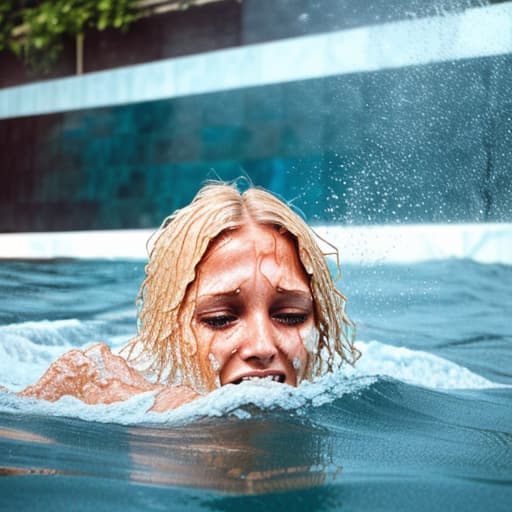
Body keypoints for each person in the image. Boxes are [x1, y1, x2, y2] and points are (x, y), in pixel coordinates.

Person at [20, 181, 359, 412]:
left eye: (290, 316)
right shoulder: (113, 397)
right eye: (220, 320)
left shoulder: (349, 387)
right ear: (173, 330)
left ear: (321, 324)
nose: (262, 347)